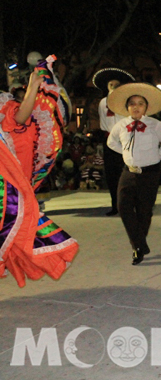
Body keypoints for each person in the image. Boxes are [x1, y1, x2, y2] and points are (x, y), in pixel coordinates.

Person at [0, 59, 79, 287]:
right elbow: (19, 119)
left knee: (20, 223)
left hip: (21, 180)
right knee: (18, 220)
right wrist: (34, 85)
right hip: (8, 180)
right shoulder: (9, 109)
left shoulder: (40, 119)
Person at [107, 83, 161, 265]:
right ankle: (139, 245)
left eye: (140, 103)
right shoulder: (121, 125)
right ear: (127, 107)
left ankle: (138, 246)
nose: (136, 107)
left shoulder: (156, 125)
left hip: (149, 173)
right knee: (123, 207)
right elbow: (111, 142)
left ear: (146, 107)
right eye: (132, 104)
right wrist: (126, 154)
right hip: (128, 172)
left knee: (144, 212)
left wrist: (156, 157)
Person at [92, 68, 135, 216]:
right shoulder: (103, 102)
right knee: (112, 175)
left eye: (117, 85)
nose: (114, 87)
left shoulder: (126, 102)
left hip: (125, 139)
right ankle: (115, 205)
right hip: (109, 140)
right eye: (111, 84)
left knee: (129, 172)